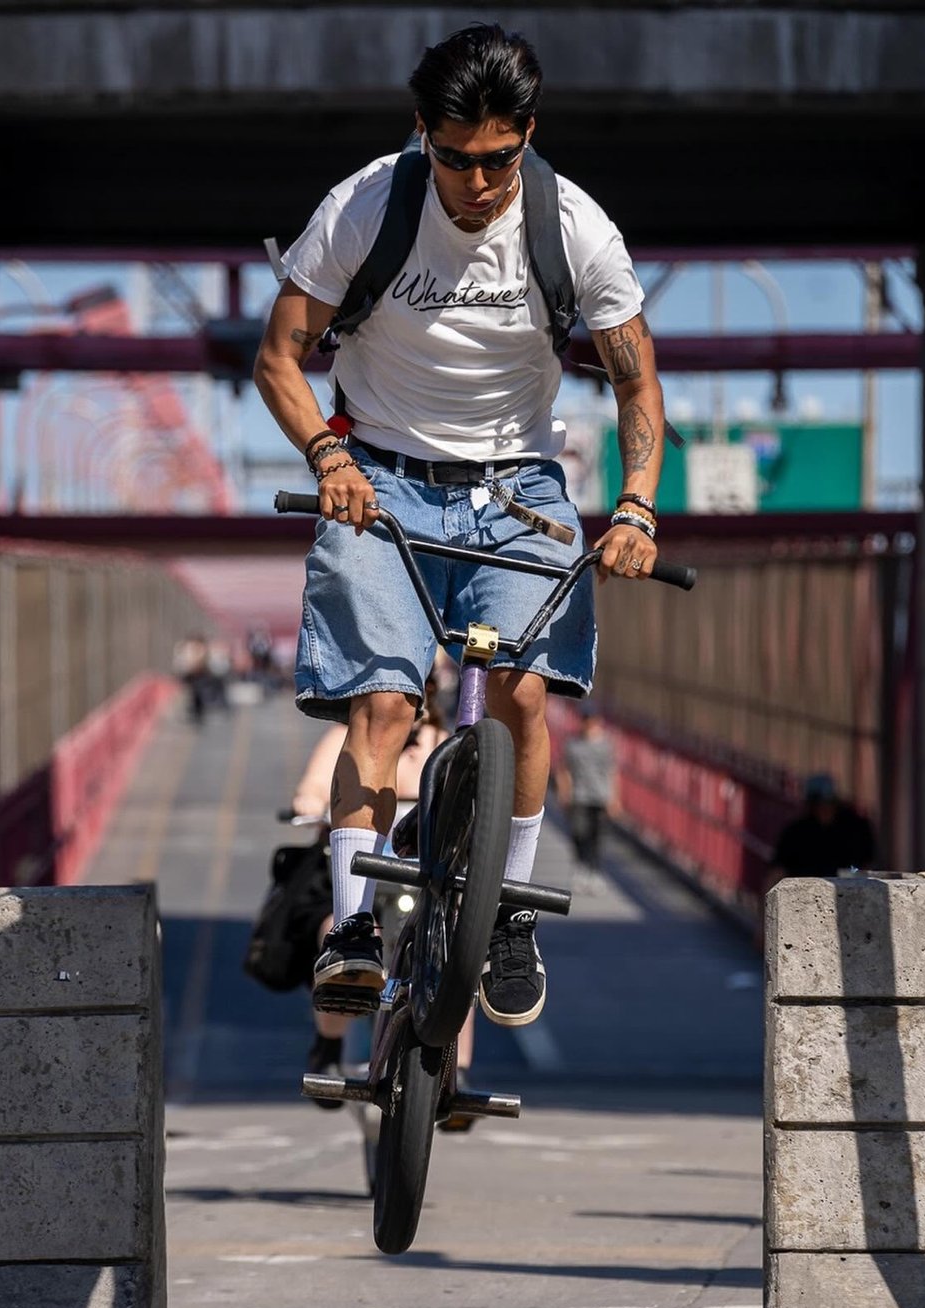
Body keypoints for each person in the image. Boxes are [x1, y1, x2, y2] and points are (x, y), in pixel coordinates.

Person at [254, 23, 664, 1029]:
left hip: (519, 486)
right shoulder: (363, 210)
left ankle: (508, 910)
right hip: (378, 478)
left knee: (523, 693)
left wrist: (637, 506)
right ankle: (352, 929)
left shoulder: (575, 231)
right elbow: (278, 360)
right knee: (384, 708)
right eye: (454, 160)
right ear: (421, 136)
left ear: (527, 135)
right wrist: (329, 458)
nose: (477, 184)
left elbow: (636, 381)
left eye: (498, 161)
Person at [291, 677, 478, 1105]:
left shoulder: (444, 743)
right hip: (368, 878)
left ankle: (459, 1068)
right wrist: (310, 803)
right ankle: (329, 1047)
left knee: (458, 952)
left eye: (422, 687)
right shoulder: (348, 736)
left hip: (425, 876)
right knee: (333, 930)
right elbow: (315, 787)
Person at [767, 773, 878, 882]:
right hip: (806, 891)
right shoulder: (796, 832)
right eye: (819, 804)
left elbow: (867, 865)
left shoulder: (857, 827)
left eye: (828, 803)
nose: (824, 809)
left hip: (849, 888)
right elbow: (779, 869)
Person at [555, 701, 618, 891]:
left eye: (590, 719)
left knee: (598, 836)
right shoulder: (573, 744)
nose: (587, 722)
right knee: (579, 833)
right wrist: (563, 791)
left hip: (600, 796)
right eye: (584, 718)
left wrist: (614, 798)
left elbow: (612, 771)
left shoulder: (606, 745)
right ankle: (581, 867)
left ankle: (595, 870)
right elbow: (563, 769)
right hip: (579, 796)